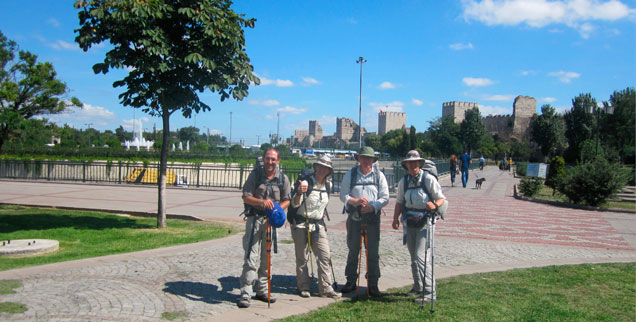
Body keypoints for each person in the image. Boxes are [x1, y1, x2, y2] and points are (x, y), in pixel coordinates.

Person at [238, 148, 291, 308]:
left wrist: (276, 209)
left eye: (273, 159)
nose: (270, 162)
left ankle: (263, 290)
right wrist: (262, 203)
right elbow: (246, 196)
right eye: (267, 159)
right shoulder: (256, 175)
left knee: (267, 258)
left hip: (271, 222)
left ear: (278, 161)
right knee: (251, 256)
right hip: (255, 219)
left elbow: (287, 199)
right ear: (263, 159)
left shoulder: (283, 178)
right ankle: (246, 292)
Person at [392, 150, 445, 303]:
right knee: (413, 256)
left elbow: (441, 198)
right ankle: (418, 286)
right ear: (406, 164)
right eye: (410, 162)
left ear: (419, 164)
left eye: (415, 162)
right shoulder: (404, 181)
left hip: (425, 223)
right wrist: (395, 218)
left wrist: (434, 204)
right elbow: (400, 202)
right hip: (409, 222)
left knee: (421, 256)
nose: (413, 165)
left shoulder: (428, 179)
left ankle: (429, 292)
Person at [339, 146, 389, 297]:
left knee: (373, 251)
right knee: (353, 249)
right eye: (364, 157)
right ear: (359, 158)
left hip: (372, 218)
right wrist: (355, 201)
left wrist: (372, 207)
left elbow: (385, 197)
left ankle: (373, 283)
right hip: (355, 217)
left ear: (374, 160)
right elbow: (343, 195)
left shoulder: (379, 176)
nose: (367, 161)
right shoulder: (351, 174)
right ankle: (351, 280)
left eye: (369, 158)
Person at [289, 155, 341, 299]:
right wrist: (299, 192)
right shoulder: (306, 182)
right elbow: (294, 204)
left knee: (325, 256)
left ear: (329, 170)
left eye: (327, 168)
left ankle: (325, 288)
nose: (323, 169)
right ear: (316, 167)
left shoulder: (328, 185)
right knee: (302, 257)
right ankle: (303, 287)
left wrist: (320, 212)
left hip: (318, 224)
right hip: (300, 223)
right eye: (321, 166)